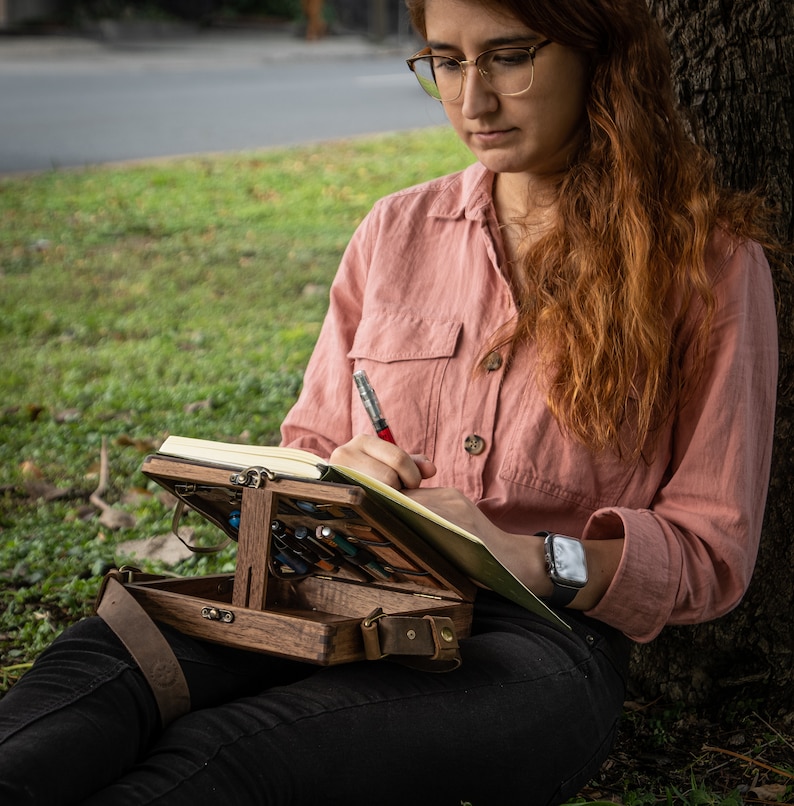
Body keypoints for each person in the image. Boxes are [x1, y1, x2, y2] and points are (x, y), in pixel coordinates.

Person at [0, 0, 778, 803]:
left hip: (535, 643)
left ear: (600, 55)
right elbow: (308, 441)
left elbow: (712, 549)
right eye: (446, 60)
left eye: (509, 56)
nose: (472, 100)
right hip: (332, 588)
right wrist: (337, 469)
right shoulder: (394, 230)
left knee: (227, 756)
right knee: (96, 675)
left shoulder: (708, 263)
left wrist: (535, 558)